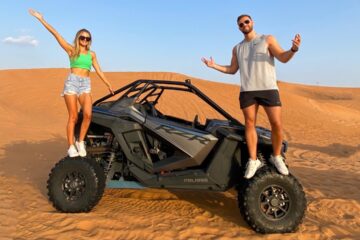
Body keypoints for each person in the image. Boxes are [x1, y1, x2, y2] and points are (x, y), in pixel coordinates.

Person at [202, 14, 301, 179]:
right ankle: (253, 160)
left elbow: (283, 58)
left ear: (252, 22)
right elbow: (232, 69)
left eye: (246, 22)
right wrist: (214, 66)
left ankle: (276, 156)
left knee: (276, 124)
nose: (244, 25)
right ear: (239, 27)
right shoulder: (237, 48)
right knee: (249, 124)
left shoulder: (267, 39)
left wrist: (293, 50)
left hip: (268, 88)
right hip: (248, 91)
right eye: (241, 24)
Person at [29, 9, 114, 157]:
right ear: (78, 38)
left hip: (86, 84)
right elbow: (56, 34)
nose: (85, 40)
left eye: (88, 38)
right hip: (72, 83)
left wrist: (108, 84)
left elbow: (99, 70)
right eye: (82, 38)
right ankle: (70, 146)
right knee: (73, 116)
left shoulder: (92, 54)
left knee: (88, 114)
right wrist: (41, 19)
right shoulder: (71, 50)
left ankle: (80, 141)